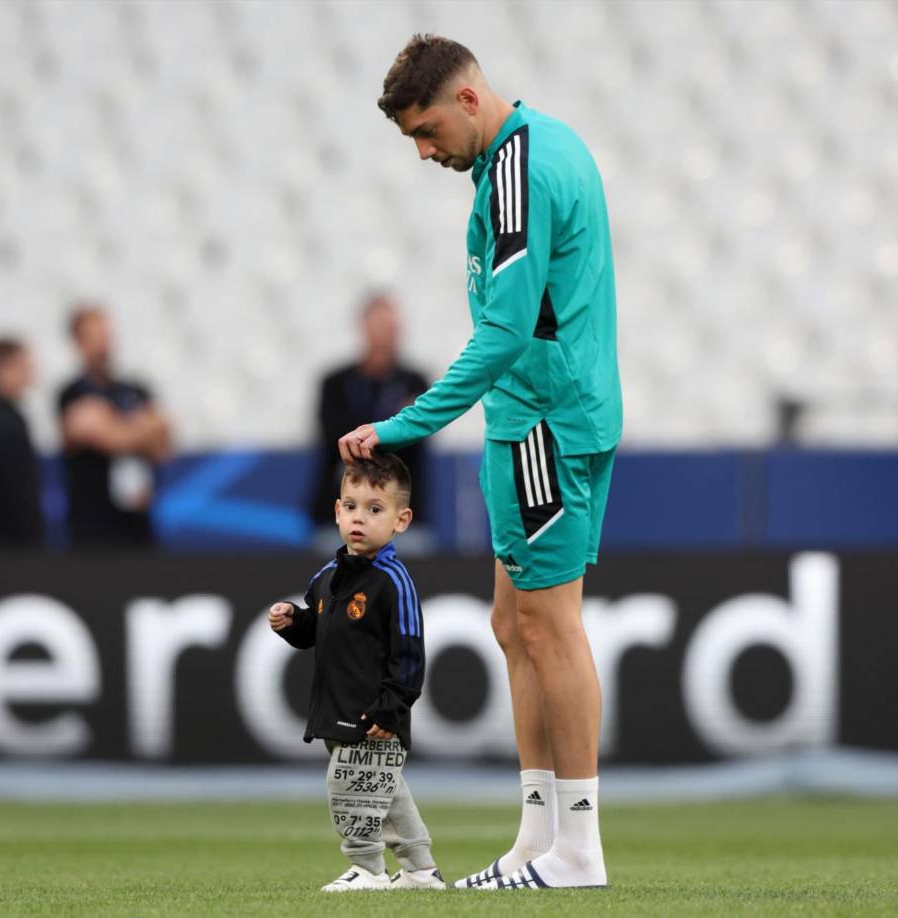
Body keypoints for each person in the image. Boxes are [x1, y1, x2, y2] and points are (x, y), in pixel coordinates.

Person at [339, 35, 622, 891]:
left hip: (544, 422)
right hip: (544, 413)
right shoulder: (548, 143)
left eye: (426, 131)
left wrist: (404, 424)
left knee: (551, 626)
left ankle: (576, 848)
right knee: (514, 624)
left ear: (467, 101)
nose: (425, 153)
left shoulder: (514, 174)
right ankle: (538, 838)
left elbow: (503, 331)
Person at [268, 453, 444, 893]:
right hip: (337, 706)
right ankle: (422, 871)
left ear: (401, 521)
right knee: (387, 791)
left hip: (373, 714)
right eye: (350, 506)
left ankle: (368, 868)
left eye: (374, 509)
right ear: (336, 511)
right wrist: (294, 621)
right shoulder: (327, 576)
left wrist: (390, 709)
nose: (358, 519)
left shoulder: (394, 581)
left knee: (349, 787)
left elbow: (409, 654)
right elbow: (318, 628)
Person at [311, 293, 429, 536]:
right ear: (363, 329)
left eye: (389, 328)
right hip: (339, 519)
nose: (383, 336)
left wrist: (362, 437)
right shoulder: (335, 382)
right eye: (377, 327)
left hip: (402, 519)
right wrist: (393, 425)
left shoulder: (415, 382)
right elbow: (332, 436)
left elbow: (416, 440)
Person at [58, 304, 171, 548]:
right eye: (95, 336)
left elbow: (163, 443)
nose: (104, 343)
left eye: (106, 334)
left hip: (137, 526)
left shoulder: (136, 388)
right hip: (93, 529)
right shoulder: (70, 394)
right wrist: (139, 429)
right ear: (78, 342)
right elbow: (102, 437)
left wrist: (111, 425)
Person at [0, 338, 44, 549]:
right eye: (24, 366)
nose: (30, 373)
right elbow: (17, 493)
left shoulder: (7, 418)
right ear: (3, 368)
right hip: (6, 545)